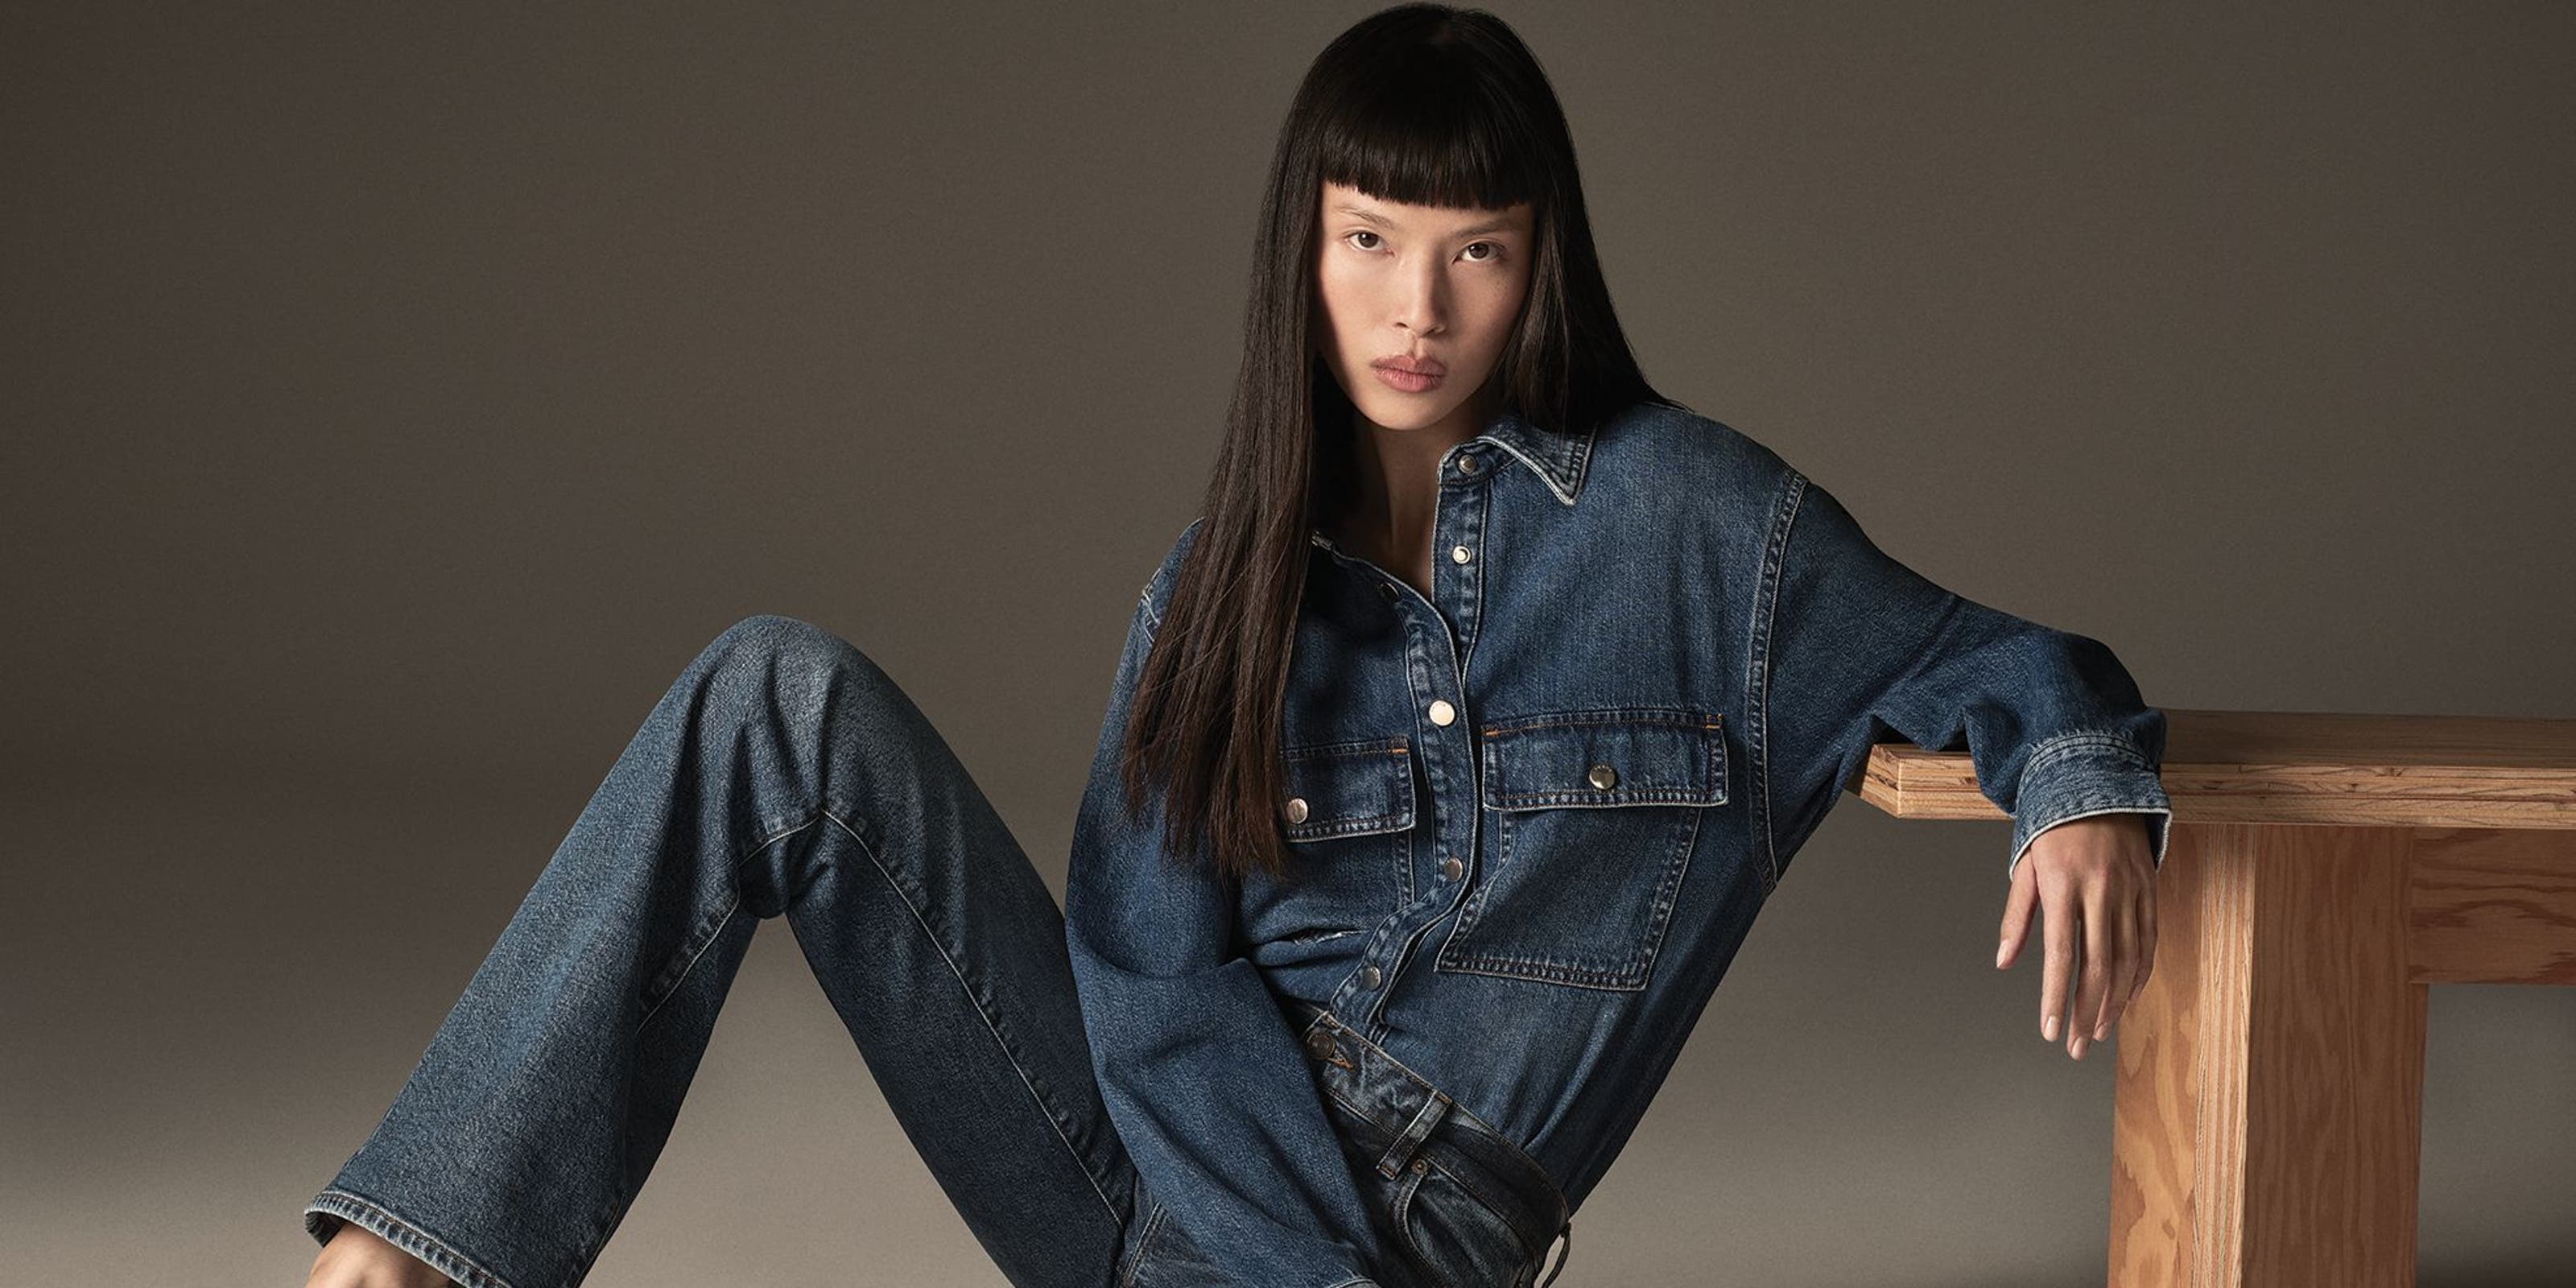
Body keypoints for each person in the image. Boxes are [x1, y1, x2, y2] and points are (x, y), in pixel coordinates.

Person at [301, 6, 2170, 1287]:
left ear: (1544, 264)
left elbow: (2000, 660)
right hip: (1159, 1182)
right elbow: (1141, 971)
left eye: (1473, 252)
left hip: (1410, 1226)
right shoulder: (1223, 583)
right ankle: (403, 1254)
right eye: (1368, 240)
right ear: (1305, 247)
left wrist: (2071, 795)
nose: (1412, 309)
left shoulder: (1702, 527)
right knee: (773, 690)